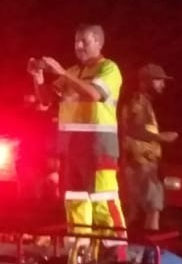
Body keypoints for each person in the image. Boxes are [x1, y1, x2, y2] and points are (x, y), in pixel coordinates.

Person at [31, 24, 125, 237]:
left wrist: (62, 72)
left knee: (104, 201)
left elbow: (93, 94)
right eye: (76, 41)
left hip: (99, 148)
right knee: (75, 202)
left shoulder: (109, 69)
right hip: (71, 149)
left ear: (99, 43)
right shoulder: (73, 72)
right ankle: (79, 253)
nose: (79, 46)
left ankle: (118, 257)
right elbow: (45, 100)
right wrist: (37, 77)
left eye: (85, 41)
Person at [120, 63, 178, 232]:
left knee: (134, 212)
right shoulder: (138, 102)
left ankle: (124, 248)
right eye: (158, 80)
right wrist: (161, 137)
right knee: (153, 209)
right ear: (145, 82)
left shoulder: (144, 103)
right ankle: (149, 252)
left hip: (140, 164)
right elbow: (134, 128)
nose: (163, 85)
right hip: (141, 164)